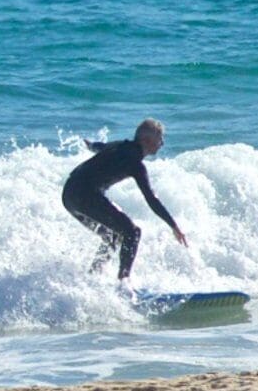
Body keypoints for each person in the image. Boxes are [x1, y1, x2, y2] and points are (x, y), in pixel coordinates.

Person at [60, 118, 186, 282]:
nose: (162, 143)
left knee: (113, 236)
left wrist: (90, 145)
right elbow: (151, 199)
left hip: (69, 195)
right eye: (159, 138)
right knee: (132, 232)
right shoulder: (135, 164)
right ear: (146, 140)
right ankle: (124, 281)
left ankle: (92, 277)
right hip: (85, 195)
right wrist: (174, 226)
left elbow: (100, 147)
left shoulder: (119, 145)